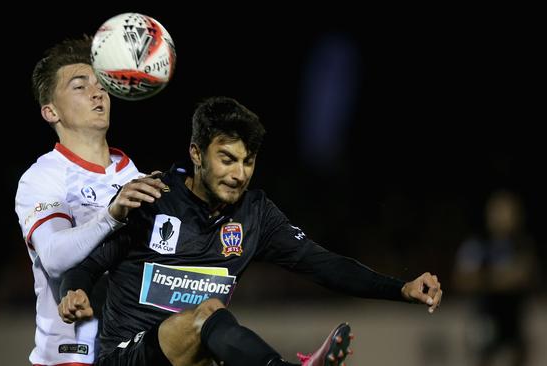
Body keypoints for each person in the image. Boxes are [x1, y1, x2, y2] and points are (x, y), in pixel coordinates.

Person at [58, 97, 443, 366]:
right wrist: (72, 290)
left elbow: (323, 264)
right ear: (196, 153)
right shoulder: (151, 200)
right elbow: (88, 264)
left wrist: (401, 288)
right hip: (128, 357)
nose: (238, 173)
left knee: (215, 333)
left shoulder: (254, 214)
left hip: (197, 361)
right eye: (226, 159)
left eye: (248, 161)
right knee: (207, 313)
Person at [15, 36, 166, 365]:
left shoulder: (134, 176)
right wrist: (112, 214)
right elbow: (54, 256)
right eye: (80, 86)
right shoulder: (44, 177)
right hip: (71, 353)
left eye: (102, 85)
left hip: (132, 349)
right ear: (50, 111)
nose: (98, 93)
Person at [453, 190, 538, 366]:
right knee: (484, 355)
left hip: (513, 318)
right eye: (498, 211)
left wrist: (486, 279)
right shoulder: (478, 245)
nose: (503, 217)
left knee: (517, 356)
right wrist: (501, 278)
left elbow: (525, 275)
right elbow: (463, 279)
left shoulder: (522, 245)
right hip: (486, 316)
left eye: (508, 211)